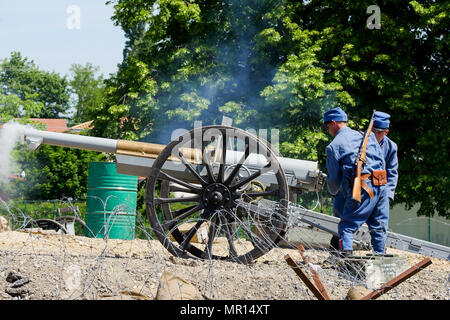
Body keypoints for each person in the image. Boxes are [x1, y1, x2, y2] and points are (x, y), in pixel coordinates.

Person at [328, 111, 398, 252]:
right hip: (375, 189)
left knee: (346, 227)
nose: (375, 134)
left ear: (333, 124)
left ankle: (346, 263)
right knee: (378, 229)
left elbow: (391, 172)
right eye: (374, 131)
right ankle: (380, 261)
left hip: (364, 188)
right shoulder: (363, 137)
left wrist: (387, 196)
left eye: (380, 132)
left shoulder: (335, 145)